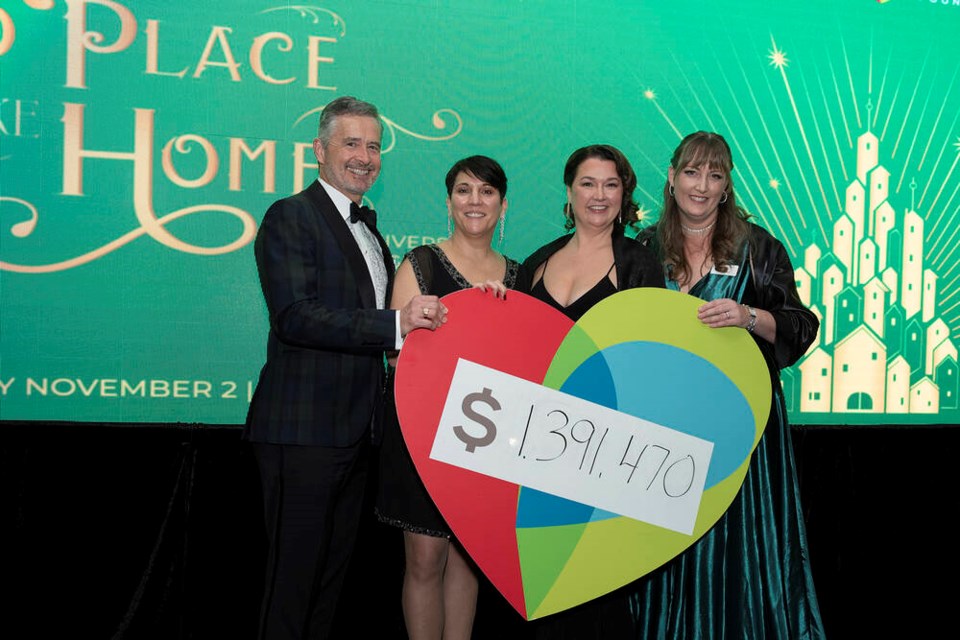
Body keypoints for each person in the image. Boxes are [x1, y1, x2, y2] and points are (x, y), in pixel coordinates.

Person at [244, 95, 448, 640]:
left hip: (356, 436)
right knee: (292, 586)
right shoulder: (291, 216)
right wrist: (395, 326)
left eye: (374, 145)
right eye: (351, 143)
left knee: (327, 585)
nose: (365, 156)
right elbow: (295, 316)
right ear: (320, 150)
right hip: (304, 432)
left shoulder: (369, 228)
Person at [631, 131, 826, 638]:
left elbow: (800, 325)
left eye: (714, 175)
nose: (701, 185)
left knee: (739, 547)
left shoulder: (758, 247)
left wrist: (747, 315)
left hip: (741, 427)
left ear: (726, 187)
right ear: (671, 178)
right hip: (663, 427)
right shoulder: (643, 249)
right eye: (692, 172)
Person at [376, 155, 525, 640]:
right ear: (448, 201)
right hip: (423, 434)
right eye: (464, 190)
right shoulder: (419, 263)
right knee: (424, 559)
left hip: (486, 441)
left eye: (486, 192)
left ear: (503, 206)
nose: (474, 201)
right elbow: (396, 356)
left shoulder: (520, 278)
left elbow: (529, 364)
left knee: (468, 560)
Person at [522, 144, 665, 638]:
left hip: (605, 454)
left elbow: (650, 360)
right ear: (569, 191)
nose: (598, 195)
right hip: (537, 451)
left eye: (611, 184)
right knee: (540, 576)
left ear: (624, 194)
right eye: (588, 183)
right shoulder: (537, 261)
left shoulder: (639, 263)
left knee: (597, 590)